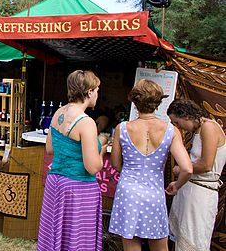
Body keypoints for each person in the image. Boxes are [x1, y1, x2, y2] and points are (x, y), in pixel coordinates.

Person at [109, 80, 192, 251]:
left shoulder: (122, 128)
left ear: (134, 101)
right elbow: (187, 168)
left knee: (131, 246)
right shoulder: (170, 130)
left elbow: (116, 164)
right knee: (160, 247)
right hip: (154, 193)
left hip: (128, 192)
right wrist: (176, 185)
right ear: (159, 102)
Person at [37, 70, 107, 251]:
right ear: (89, 92)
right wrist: (101, 150)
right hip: (78, 188)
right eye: (97, 90)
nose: (98, 94)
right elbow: (92, 167)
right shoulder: (86, 122)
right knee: (76, 240)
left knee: (55, 235)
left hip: (55, 184)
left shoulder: (59, 112)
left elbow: (50, 149)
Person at [167, 99, 226, 251]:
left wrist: (181, 169)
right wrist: (178, 184)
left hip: (201, 194)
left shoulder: (208, 127)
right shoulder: (199, 129)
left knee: (194, 241)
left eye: (177, 122)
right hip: (191, 190)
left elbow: (206, 165)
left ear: (186, 116)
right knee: (183, 239)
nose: (178, 127)